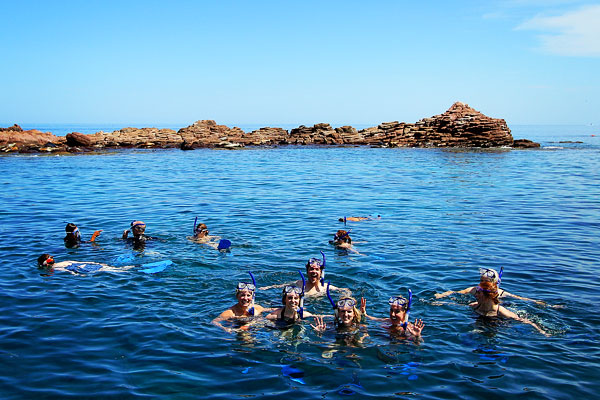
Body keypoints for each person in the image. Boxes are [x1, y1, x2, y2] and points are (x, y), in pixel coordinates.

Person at [434, 267, 558, 307]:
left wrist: (538, 303)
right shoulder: (474, 289)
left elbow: (520, 299)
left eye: (485, 281)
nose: (481, 283)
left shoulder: (501, 293)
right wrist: (442, 296)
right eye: (481, 280)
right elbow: (456, 292)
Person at [469, 281, 549, 336]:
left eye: (479, 293)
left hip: (498, 326)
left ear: (488, 296)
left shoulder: (502, 312)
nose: (476, 295)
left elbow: (525, 321)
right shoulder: (474, 306)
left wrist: (542, 331)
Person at [259, 253, 350, 297]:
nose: (314, 271)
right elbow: (281, 286)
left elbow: (345, 291)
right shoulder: (299, 284)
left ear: (321, 272)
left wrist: (347, 296)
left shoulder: (326, 288)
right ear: (307, 271)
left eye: (316, 269)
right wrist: (266, 288)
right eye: (311, 269)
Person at [360, 293, 425, 340]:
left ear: (405, 313)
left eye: (397, 311)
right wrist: (364, 313)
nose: (393, 314)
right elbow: (372, 319)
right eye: (391, 310)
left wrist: (417, 336)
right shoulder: (388, 320)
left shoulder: (409, 328)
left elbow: (418, 347)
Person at [37, 253, 136, 274]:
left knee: (112, 269)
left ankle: (133, 268)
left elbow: (73, 267)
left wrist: (92, 262)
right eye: (50, 257)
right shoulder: (58, 266)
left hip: (85, 267)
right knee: (113, 269)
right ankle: (134, 268)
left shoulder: (59, 265)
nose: (52, 258)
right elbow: (70, 269)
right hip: (84, 267)